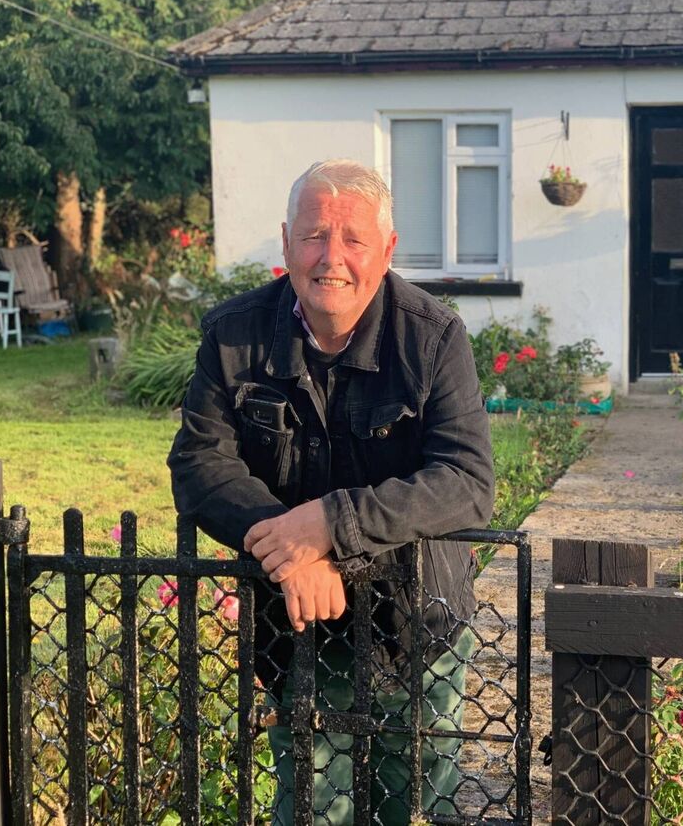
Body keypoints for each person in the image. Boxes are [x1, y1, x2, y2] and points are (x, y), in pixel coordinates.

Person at [167, 159, 494, 824]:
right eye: (315, 236)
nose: (332, 258)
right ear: (286, 243)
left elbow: (466, 482)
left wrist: (330, 523)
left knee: (416, 805)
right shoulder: (233, 335)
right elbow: (199, 463)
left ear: (388, 251)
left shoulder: (433, 338)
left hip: (416, 623)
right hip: (300, 625)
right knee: (312, 808)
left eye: (354, 240)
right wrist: (296, 547)